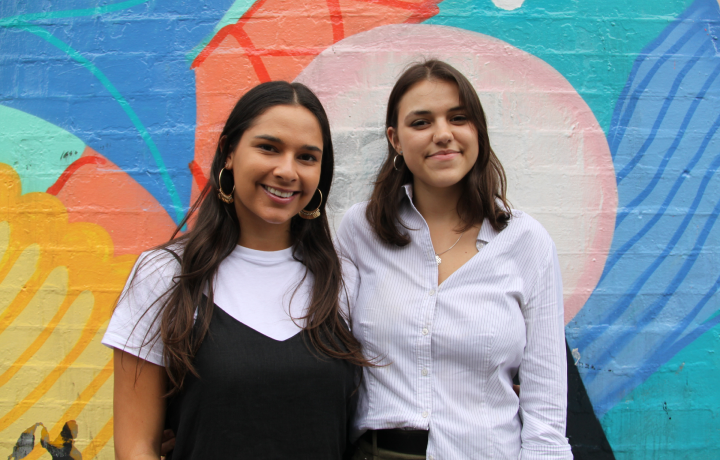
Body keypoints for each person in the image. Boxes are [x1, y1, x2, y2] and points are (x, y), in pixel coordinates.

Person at [102, 81, 369, 459]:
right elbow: (136, 448)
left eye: (307, 157)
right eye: (268, 148)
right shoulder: (165, 275)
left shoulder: (343, 279)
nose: (287, 171)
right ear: (229, 152)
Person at [336, 60, 573, 459]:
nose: (443, 135)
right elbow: (327, 354)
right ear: (395, 139)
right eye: (421, 122)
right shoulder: (361, 230)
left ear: (476, 130)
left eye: (458, 118)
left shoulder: (526, 242)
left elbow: (546, 401)